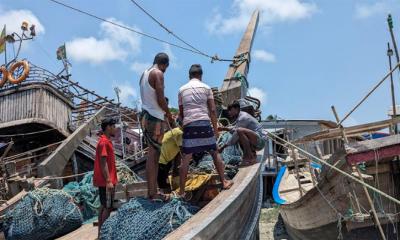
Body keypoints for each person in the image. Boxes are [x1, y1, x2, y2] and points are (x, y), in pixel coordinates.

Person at [178, 64, 233, 197]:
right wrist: (215, 129)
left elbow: (181, 113)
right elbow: (213, 110)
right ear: (201, 76)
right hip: (204, 123)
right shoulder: (206, 88)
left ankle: (181, 191)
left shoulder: (181, 90)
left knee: (185, 159)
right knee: (214, 153)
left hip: (189, 125)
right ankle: (224, 181)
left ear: (189, 76)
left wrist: (185, 127)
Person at [139, 52, 174, 200]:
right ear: (164, 64)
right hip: (155, 118)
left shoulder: (144, 74)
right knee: (154, 156)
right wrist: (169, 114)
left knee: (151, 155)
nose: (165, 70)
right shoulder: (158, 73)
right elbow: (160, 98)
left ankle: (152, 190)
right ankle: (153, 192)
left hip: (146, 116)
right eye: (166, 67)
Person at [219, 101, 266, 165]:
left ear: (237, 109)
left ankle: (250, 157)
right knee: (239, 133)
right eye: (228, 110)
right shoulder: (240, 116)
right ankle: (251, 155)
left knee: (239, 132)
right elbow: (235, 128)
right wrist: (223, 128)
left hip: (260, 142)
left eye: (230, 110)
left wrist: (223, 147)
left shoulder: (243, 117)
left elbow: (236, 133)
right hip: (255, 140)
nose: (229, 112)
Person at [93, 117, 118, 238]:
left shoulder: (105, 141)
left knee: (103, 206)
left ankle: (100, 235)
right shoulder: (103, 142)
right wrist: (109, 181)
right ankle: (103, 235)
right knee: (107, 208)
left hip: (105, 181)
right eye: (114, 126)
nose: (116, 128)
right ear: (108, 127)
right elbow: (103, 162)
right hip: (106, 182)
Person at [157, 127, 183, 192]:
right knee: (163, 184)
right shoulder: (180, 133)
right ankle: (165, 197)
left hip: (164, 160)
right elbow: (183, 150)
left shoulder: (175, 130)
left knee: (164, 181)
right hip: (161, 160)